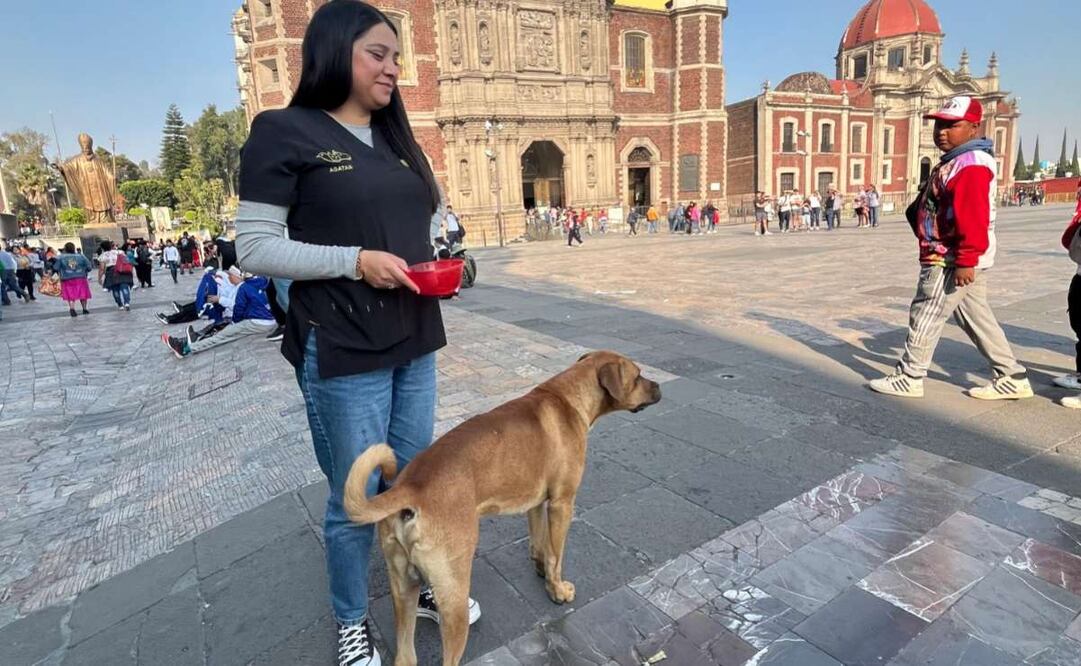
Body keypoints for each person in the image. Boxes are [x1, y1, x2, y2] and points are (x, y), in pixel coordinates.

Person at [231, 4, 480, 663]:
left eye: (397, 56)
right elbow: (253, 247)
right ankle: (350, 619)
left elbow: (420, 225)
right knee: (356, 495)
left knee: (416, 481)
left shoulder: (395, 138)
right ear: (335, 52)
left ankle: (419, 587)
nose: (392, 68)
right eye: (377, 54)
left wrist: (442, 264)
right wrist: (354, 261)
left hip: (414, 335)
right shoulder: (284, 131)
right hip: (342, 344)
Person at [869, 96, 1031, 400]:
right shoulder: (960, 160)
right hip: (960, 255)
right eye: (938, 125)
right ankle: (1012, 375)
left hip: (949, 257)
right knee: (974, 316)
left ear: (973, 128)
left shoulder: (969, 165)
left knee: (926, 312)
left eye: (952, 125)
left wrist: (966, 259)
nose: (942, 132)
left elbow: (972, 216)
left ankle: (910, 375)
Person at [56, 242, 93, 317]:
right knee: (82, 293)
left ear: (65, 249)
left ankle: (72, 308)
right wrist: (84, 271)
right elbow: (89, 267)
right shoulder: (81, 256)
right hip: (80, 277)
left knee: (70, 293)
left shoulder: (60, 257)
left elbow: (56, 267)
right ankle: (84, 309)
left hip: (67, 278)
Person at [97, 240, 134, 311]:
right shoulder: (120, 252)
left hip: (111, 273)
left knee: (115, 289)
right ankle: (127, 303)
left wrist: (99, 278)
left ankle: (120, 305)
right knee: (124, 287)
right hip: (122, 271)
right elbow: (127, 261)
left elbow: (102, 269)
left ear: (102, 248)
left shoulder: (103, 256)